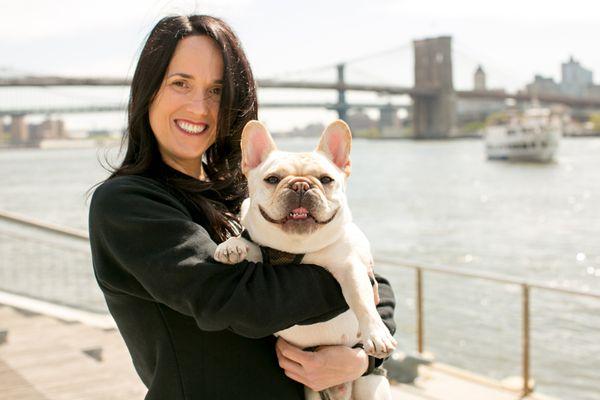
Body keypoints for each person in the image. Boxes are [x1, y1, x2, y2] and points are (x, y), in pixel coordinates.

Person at [88, 14, 396, 400]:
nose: (199, 107)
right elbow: (234, 300)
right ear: (148, 91)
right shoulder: (128, 203)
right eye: (180, 83)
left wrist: (361, 360)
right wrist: (348, 273)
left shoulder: (245, 190)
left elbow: (376, 282)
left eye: (217, 91)